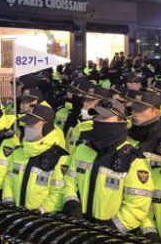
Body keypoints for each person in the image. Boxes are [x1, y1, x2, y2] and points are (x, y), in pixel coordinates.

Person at [63, 99, 153, 232]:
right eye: (97, 116)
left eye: (105, 117)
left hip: (113, 237)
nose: (99, 121)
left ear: (122, 121)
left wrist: (111, 228)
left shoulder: (133, 160)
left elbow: (137, 206)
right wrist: (72, 205)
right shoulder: (82, 149)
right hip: (78, 228)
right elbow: (69, 181)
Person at [2, 104, 69, 213]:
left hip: (42, 222)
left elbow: (59, 192)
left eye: (32, 123)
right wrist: (8, 202)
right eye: (26, 123)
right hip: (15, 216)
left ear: (46, 126)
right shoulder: (18, 152)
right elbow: (8, 180)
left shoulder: (60, 157)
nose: (27, 127)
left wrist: (41, 210)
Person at [125, 91, 161, 163]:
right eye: (133, 109)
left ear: (156, 112)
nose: (134, 113)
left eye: (140, 110)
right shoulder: (122, 132)